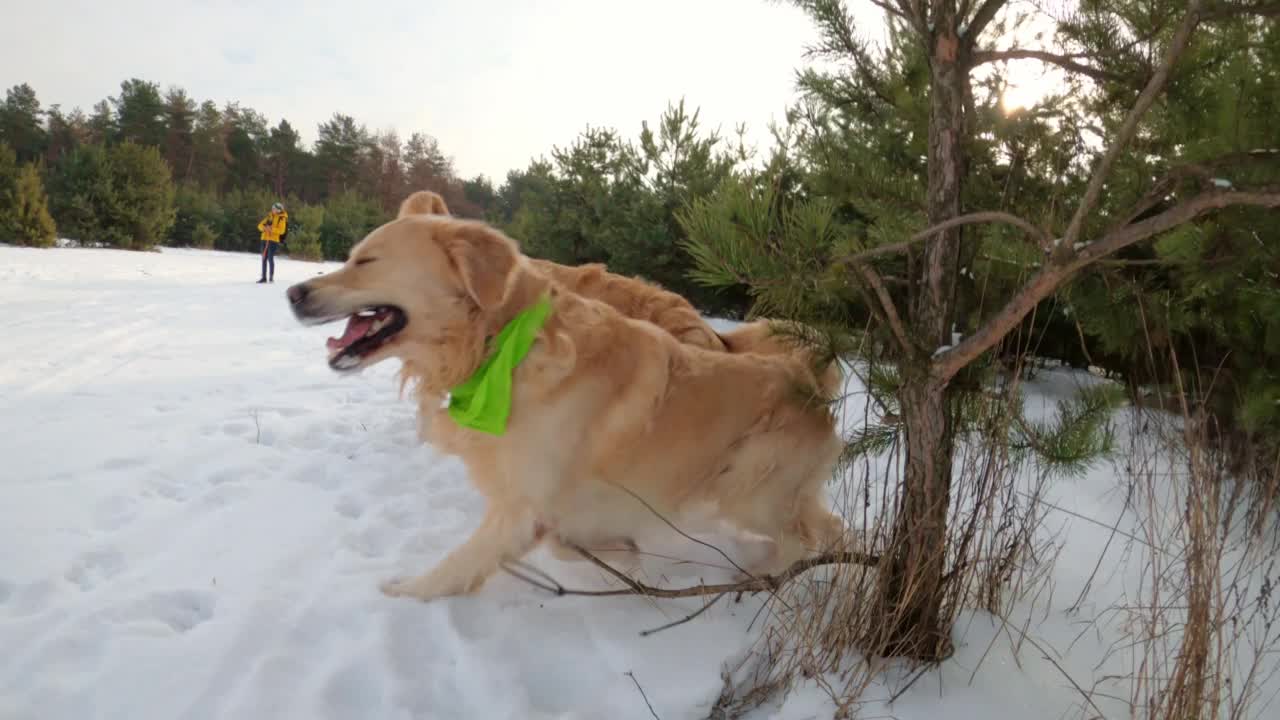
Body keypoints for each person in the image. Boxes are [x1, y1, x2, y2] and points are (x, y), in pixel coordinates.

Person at [256, 202, 289, 283]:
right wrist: (264, 228)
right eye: (272, 208)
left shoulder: (282, 218)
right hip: (264, 238)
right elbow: (259, 225)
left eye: (274, 208)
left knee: (270, 258)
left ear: (278, 210)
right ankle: (263, 277)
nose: (272, 210)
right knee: (264, 258)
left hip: (273, 241)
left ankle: (271, 277)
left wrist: (271, 229)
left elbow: (281, 231)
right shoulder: (269, 216)